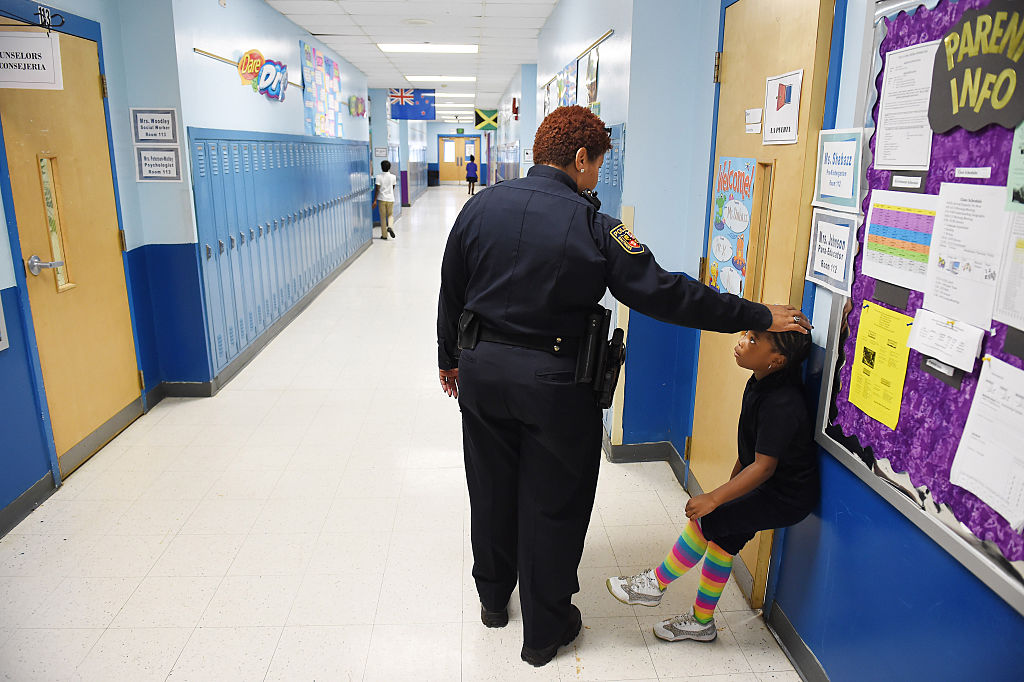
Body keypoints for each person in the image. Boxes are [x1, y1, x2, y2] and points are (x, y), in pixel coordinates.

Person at [436, 105, 810, 667]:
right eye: (596, 168)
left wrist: (450, 360)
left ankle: (493, 600)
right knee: (553, 507)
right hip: (556, 388)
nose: (595, 180)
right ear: (581, 159)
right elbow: (670, 294)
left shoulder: (479, 206)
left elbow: (451, 289)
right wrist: (754, 313)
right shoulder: (597, 228)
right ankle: (543, 633)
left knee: (489, 489)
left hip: (483, 376)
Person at [606, 328, 818, 643]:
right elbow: (750, 454)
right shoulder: (760, 382)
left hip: (785, 494)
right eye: (748, 333)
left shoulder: (782, 402)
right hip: (767, 483)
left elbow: (763, 466)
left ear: (777, 360)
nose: (743, 340)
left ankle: (654, 584)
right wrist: (729, 489)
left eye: (754, 340)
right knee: (723, 539)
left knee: (708, 521)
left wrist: (715, 498)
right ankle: (701, 623)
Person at [372, 160, 397, 239]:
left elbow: (377, 189)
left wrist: (375, 200)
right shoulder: (393, 177)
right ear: (389, 167)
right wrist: (389, 194)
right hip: (390, 199)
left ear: (381, 167)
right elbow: (393, 187)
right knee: (390, 215)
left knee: (383, 217)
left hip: (382, 199)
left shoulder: (379, 177)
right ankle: (390, 226)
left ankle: (384, 235)